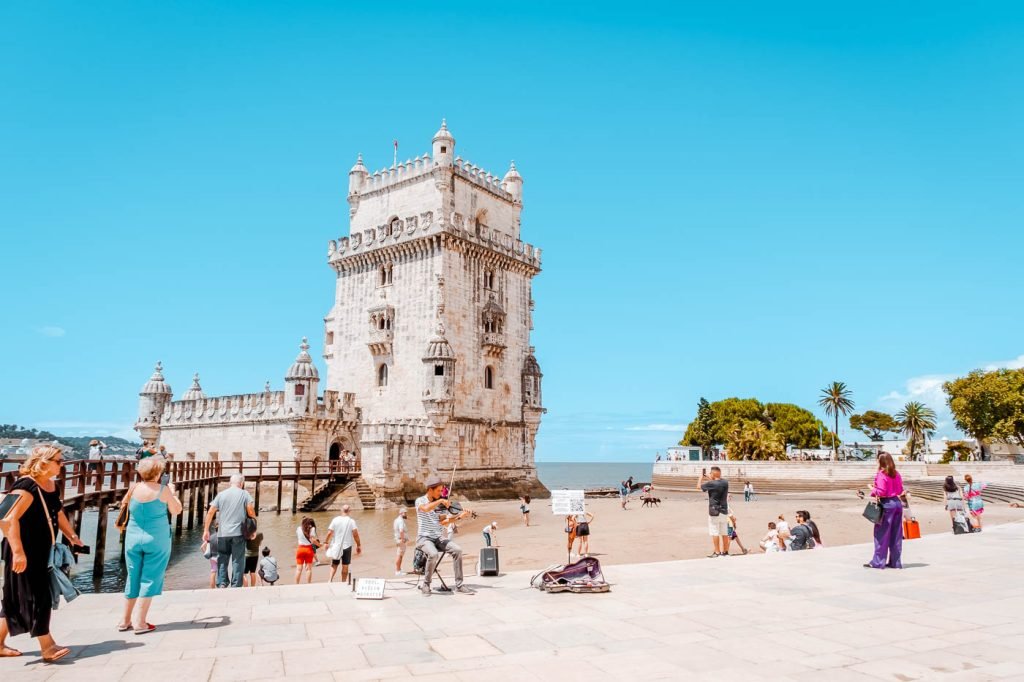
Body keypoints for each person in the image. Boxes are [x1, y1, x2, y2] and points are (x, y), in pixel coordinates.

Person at [0, 445, 85, 662]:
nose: (62, 464)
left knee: (15, 599)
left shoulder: (49, 485)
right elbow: (6, 518)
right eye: (58, 460)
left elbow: (57, 511)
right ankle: (48, 647)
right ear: (43, 462)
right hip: (23, 552)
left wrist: (72, 536)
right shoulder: (26, 487)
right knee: (37, 597)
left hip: (41, 551)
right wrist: (18, 552)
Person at [118, 456, 183, 633]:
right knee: (150, 577)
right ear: (159, 473)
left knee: (133, 577)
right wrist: (172, 492)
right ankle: (140, 622)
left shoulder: (133, 488)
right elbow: (176, 510)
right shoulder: (163, 490)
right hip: (157, 539)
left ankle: (124, 621)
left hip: (132, 538)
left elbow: (124, 507)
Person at [416, 475, 474, 595]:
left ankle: (459, 585)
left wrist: (459, 517)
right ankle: (426, 585)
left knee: (457, 550)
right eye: (438, 491)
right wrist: (441, 500)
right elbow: (426, 509)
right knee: (433, 553)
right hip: (424, 538)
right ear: (430, 489)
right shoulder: (420, 501)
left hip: (439, 538)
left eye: (441, 491)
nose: (441, 493)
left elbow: (443, 522)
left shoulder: (441, 507)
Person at [202, 473, 256, 588]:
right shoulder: (244, 494)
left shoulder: (221, 495)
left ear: (230, 483)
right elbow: (250, 511)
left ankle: (222, 583)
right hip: (238, 534)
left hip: (222, 533)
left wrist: (206, 530)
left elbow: (211, 512)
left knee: (222, 558)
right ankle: (236, 585)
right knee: (238, 560)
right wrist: (254, 525)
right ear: (241, 483)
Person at [865, 453, 904, 569]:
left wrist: (872, 489)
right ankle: (895, 562)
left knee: (881, 534)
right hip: (897, 503)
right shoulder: (896, 474)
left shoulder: (882, 474)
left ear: (881, 462)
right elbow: (900, 490)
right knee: (896, 535)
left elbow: (881, 491)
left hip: (887, 504)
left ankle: (878, 562)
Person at [698, 466, 730, 557]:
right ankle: (725, 552)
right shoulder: (725, 482)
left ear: (713, 474)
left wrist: (701, 478)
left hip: (714, 511)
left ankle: (717, 552)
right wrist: (711, 477)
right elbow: (718, 481)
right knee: (724, 532)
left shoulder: (711, 484)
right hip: (724, 510)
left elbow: (698, 487)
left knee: (715, 532)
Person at [325, 505, 362, 583]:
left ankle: (330, 580)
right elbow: (355, 534)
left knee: (334, 564)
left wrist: (326, 542)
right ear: (349, 511)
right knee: (345, 565)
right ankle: (343, 581)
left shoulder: (335, 520)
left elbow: (329, 533)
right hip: (347, 546)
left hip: (336, 546)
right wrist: (358, 545)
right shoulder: (351, 521)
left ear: (341, 510)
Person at [294, 517, 320, 583]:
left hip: (300, 549)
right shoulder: (312, 529)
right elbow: (313, 540)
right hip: (308, 549)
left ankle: (296, 585)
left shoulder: (298, 528)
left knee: (299, 569)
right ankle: (308, 584)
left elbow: (299, 537)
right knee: (308, 569)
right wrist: (320, 545)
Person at [394, 508, 409, 576]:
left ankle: (399, 569)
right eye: (404, 513)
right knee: (399, 555)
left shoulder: (396, 520)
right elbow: (401, 530)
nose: (406, 514)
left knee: (400, 555)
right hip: (401, 539)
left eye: (406, 512)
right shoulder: (400, 521)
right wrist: (403, 539)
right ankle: (397, 571)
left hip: (398, 539)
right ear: (400, 513)